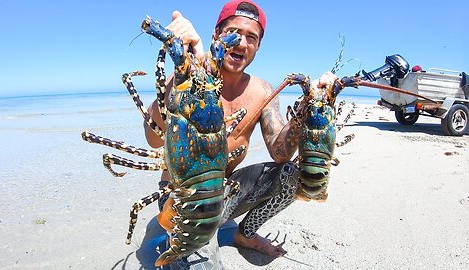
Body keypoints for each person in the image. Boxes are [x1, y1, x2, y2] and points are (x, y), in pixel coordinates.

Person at [143, 0, 336, 263]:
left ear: (258, 46)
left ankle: (245, 233)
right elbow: (153, 139)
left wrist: (311, 104)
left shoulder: (262, 91)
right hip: (184, 198)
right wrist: (177, 74)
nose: (241, 43)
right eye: (234, 33)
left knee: (292, 174)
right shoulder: (186, 78)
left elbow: (280, 153)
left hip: (227, 191)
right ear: (216, 35)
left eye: (251, 37)